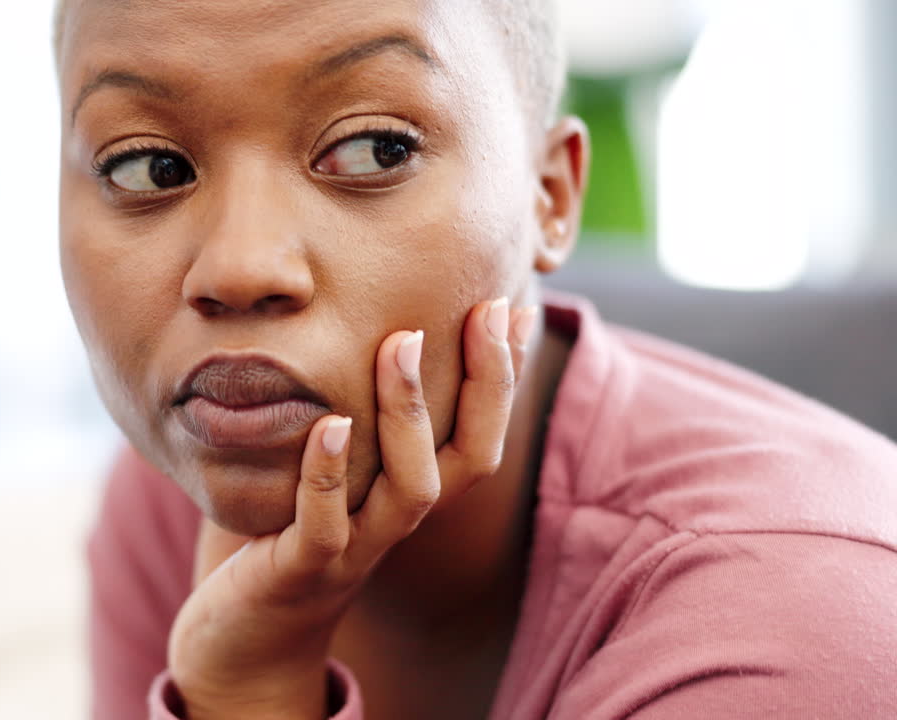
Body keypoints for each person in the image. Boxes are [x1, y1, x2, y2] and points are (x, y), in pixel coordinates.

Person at [53, 1, 897, 717]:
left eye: (374, 149)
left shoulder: (791, 625)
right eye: (146, 166)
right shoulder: (186, 500)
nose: (238, 268)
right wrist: (243, 672)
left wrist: (249, 691)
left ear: (551, 198)